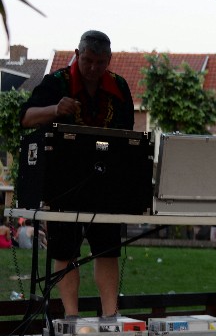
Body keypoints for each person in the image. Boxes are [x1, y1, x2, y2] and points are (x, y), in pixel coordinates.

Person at [19, 30, 134, 320]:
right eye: (88, 61)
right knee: (65, 251)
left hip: (106, 183)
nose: (94, 68)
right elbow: (25, 117)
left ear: (109, 60)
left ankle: (111, 316)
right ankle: (71, 318)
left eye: (100, 62)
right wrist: (55, 109)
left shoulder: (119, 87)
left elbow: (127, 135)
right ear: (77, 54)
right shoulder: (57, 82)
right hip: (62, 182)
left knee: (107, 250)